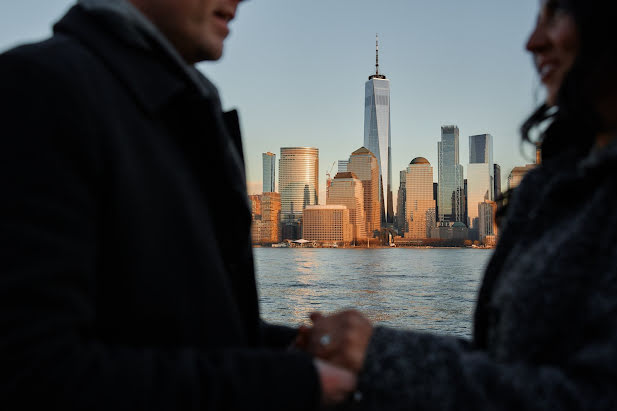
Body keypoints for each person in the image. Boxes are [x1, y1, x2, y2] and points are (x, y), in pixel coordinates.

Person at [0, 0, 356, 409]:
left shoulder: (174, 109)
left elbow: (183, 326)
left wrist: (300, 347)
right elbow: (30, 372)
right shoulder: (38, 87)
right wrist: (295, 383)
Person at [299, 0, 617, 409]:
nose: (532, 42)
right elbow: (502, 361)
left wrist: (378, 353)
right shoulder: (553, 187)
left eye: (557, 13)